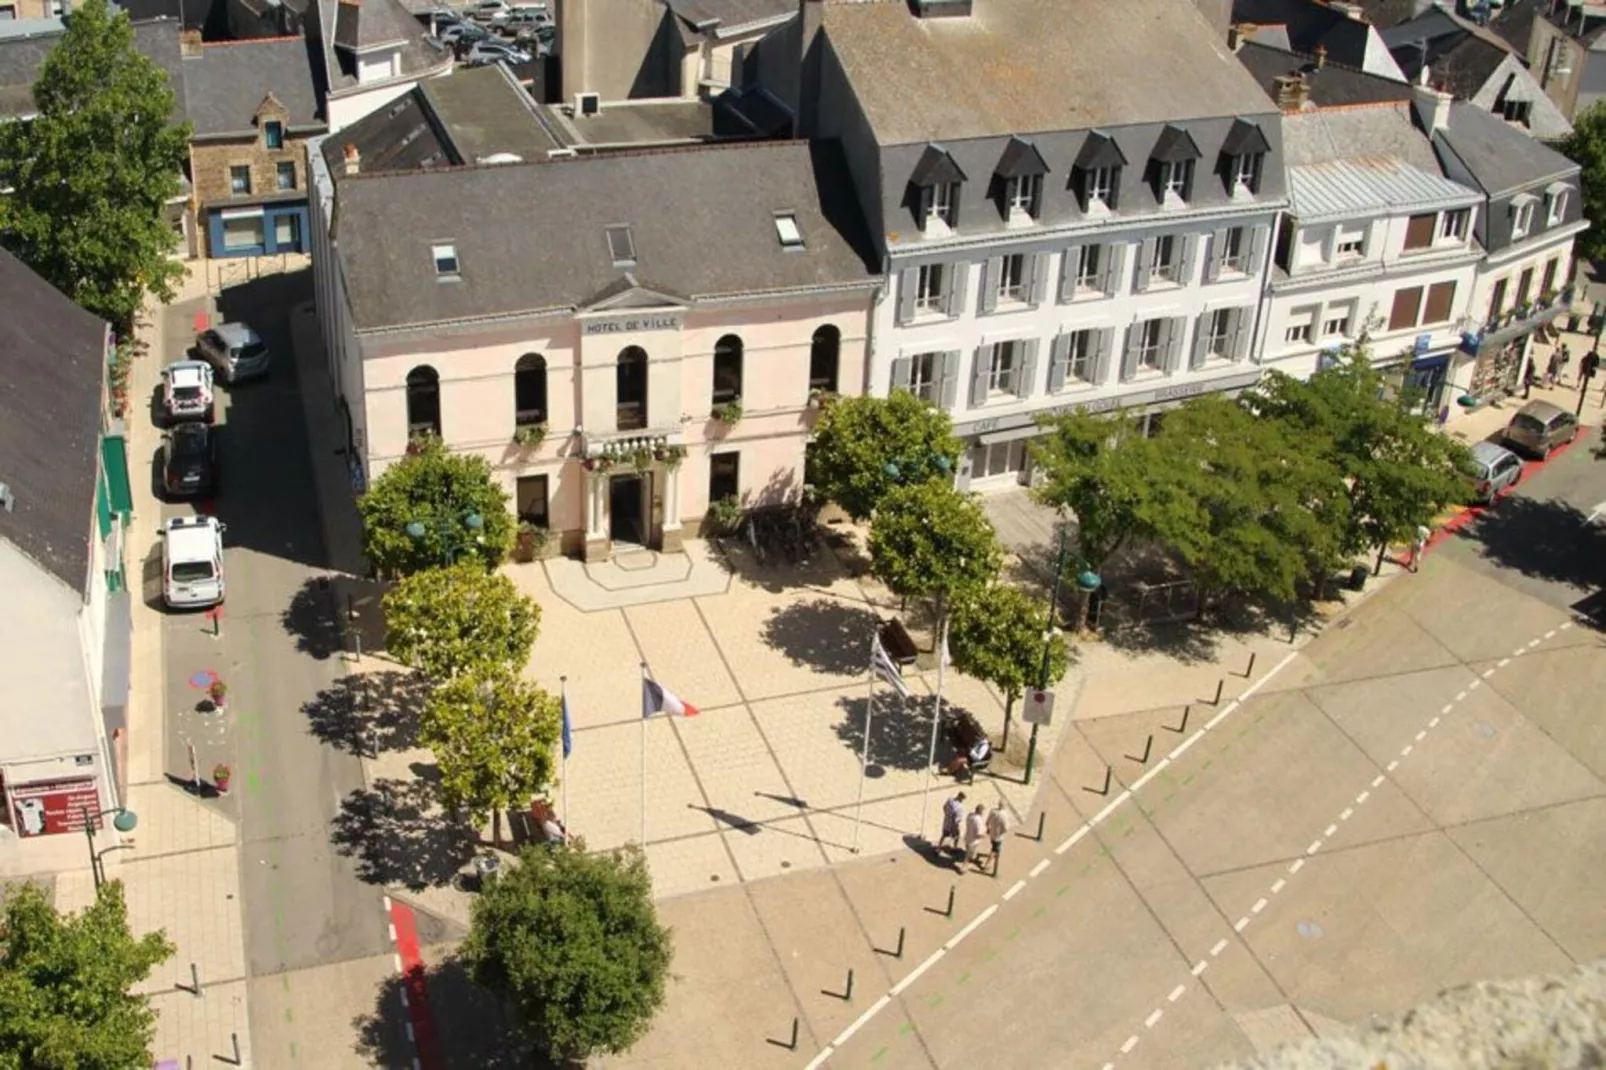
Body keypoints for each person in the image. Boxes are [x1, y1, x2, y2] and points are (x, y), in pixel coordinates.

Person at [984, 802, 1010, 877]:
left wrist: (989, 829)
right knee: (994, 849)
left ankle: (993, 857)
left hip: (992, 833)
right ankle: (987, 864)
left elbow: (987, 822)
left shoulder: (993, 811)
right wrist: (1002, 832)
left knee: (993, 845)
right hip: (998, 836)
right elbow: (1006, 828)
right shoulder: (1004, 815)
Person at [962, 804, 986, 873]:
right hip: (973, 840)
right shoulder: (978, 820)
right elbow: (978, 833)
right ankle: (964, 867)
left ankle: (970, 859)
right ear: (981, 812)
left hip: (967, 836)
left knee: (969, 851)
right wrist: (984, 835)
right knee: (968, 854)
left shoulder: (970, 815)